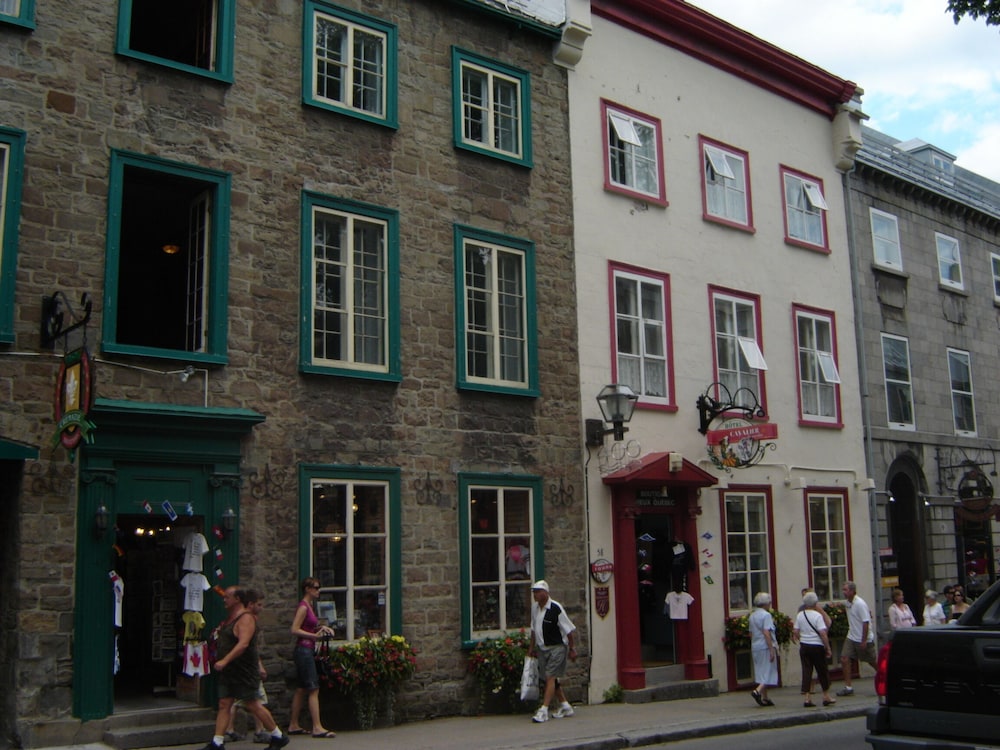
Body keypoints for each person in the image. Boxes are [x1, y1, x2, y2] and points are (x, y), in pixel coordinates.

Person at [203, 587, 288, 750]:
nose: (224, 600)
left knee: (253, 704)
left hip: (243, 670)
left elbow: (243, 644)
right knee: (224, 703)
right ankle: (217, 742)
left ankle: (278, 735)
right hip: (230, 671)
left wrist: (225, 660)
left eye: (227, 597)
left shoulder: (246, 618)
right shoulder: (231, 618)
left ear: (237, 599)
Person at [287, 577, 336, 738]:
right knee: (313, 688)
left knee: (302, 688)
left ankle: (293, 724)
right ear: (307, 589)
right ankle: (317, 727)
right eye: (315, 587)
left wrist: (322, 628)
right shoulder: (303, 607)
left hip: (306, 650)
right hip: (304, 650)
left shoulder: (309, 606)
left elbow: (308, 626)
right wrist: (314, 636)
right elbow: (294, 629)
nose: (318, 590)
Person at [527, 580, 577, 723]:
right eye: (534, 592)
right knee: (550, 679)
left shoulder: (555, 608)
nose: (535, 595)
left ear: (545, 593)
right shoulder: (535, 608)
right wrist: (531, 648)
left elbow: (568, 630)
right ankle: (565, 705)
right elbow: (533, 629)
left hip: (557, 647)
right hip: (542, 648)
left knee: (550, 676)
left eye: (538, 592)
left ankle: (544, 710)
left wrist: (572, 649)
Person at [226, 590, 271, 744]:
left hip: (239, 666)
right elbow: (248, 647)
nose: (262, 608)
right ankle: (262, 731)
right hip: (247, 667)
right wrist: (259, 666)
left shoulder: (238, 617)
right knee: (257, 699)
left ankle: (228, 730)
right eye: (259, 604)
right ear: (251, 604)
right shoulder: (247, 620)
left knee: (235, 700)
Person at [794, 591, 835, 708]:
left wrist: (802, 638)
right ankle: (826, 696)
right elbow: (823, 633)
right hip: (817, 646)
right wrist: (827, 647)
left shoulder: (800, 615)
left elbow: (796, 631)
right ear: (815, 603)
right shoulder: (817, 616)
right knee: (822, 671)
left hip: (804, 646)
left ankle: (807, 698)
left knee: (807, 671)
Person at [837, 581, 877, 697]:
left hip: (863, 638)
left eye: (846, 590)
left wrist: (863, 640)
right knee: (844, 658)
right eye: (843, 590)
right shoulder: (848, 603)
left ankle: (886, 676)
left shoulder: (860, 604)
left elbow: (865, 622)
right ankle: (848, 687)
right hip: (851, 636)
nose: (844, 592)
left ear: (852, 591)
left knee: (871, 661)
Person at [748, 592, 777, 707]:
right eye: (769, 602)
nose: (770, 604)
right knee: (769, 670)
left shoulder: (752, 615)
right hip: (765, 646)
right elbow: (766, 632)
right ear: (765, 603)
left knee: (761, 671)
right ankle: (757, 691)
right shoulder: (766, 615)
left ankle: (765, 697)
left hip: (756, 646)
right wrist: (771, 649)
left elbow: (750, 633)